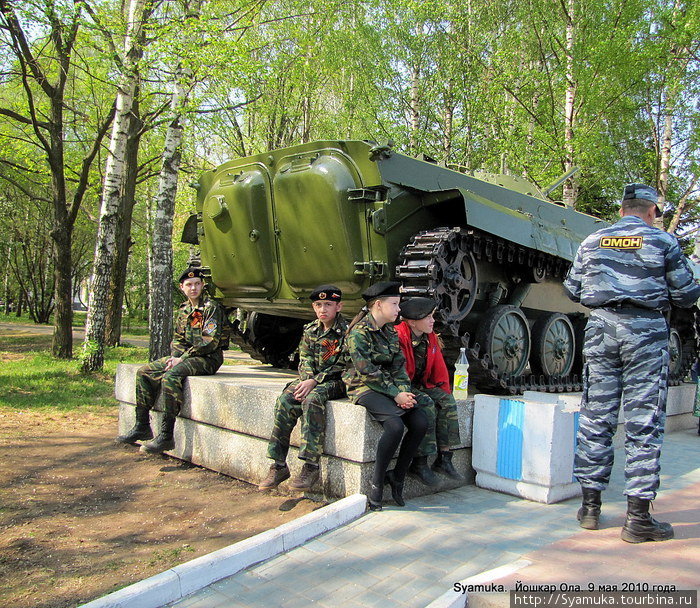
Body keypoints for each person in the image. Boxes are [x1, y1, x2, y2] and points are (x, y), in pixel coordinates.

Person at [564, 183, 700, 543]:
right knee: (644, 420)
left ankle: (590, 508)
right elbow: (687, 293)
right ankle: (637, 518)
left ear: (622, 208)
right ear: (652, 211)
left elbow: (573, 289)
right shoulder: (663, 242)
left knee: (596, 416)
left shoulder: (592, 240)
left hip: (601, 330)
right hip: (646, 333)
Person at [343, 281, 434, 511]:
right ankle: (376, 483)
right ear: (378, 305)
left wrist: (403, 391)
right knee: (394, 426)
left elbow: (398, 366)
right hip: (363, 387)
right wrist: (396, 394)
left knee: (420, 421)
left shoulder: (390, 332)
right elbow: (367, 372)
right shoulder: (359, 333)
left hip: (390, 388)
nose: (398, 309)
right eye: (394, 304)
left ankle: (398, 477)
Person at [116, 267, 227, 454]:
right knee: (145, 372)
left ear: (202, 285)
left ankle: (166, 436)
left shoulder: (211, 308)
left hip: (208, 358)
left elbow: (209, 341)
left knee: (171, 377)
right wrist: (175, 356)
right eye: (189, 285)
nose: (194, 288)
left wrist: (180, 359)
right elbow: (178, 338)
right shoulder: (185, 310)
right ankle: (142, 425)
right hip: (187, 356)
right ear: (182, 287)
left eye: (197, 284)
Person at [258, 285, 347, 492]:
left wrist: (314, 381)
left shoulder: (347, 331)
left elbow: (344, 364)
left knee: (312, 400)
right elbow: (304, 358)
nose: (322, 309)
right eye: (318, 305)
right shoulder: (310, 330)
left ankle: (311, 465)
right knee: (285, 400)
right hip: (310, 380)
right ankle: (278, 465)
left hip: (336, 381)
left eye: (328, 304)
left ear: (338, 306)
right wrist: (306, 379)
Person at [396, 297, 463, 482]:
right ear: (412, 322)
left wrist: (444, 391)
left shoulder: (429, 337)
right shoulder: (398, 336)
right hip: (402, 386)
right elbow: (397, 373)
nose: (433, 321)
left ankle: (444, 457)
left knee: (447, 401)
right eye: (428, 317)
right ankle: (420, 462)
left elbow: (439, 369)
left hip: (420, 383)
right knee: (426, 405)